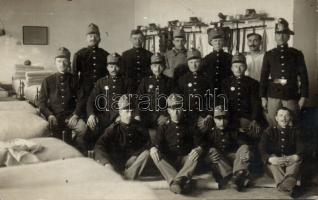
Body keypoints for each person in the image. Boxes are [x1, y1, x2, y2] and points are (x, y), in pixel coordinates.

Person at [150, 93, 205, 194]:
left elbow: (200, 143)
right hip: (170, 161)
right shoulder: (163, 127)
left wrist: (199, 149)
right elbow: (156, 143)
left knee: (195, 155)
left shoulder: (190, 125)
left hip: (185, 161)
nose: (176, 112)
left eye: (178, 108)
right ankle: (181, 180)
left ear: (183, 109)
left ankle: (176, 182)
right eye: (173, 108)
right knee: (154, 153)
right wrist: (153, 148)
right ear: (168, 110)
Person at [260, 18, 309, 126]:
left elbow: (304, 76)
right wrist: (263, 97)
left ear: (288, 36)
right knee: (273, 124)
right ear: (275, 36)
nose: (281, 37)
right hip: (273, 95)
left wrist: (303, 97)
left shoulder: (296, 54)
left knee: (292, 123)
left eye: (284, 34)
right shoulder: (269, 54)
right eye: (278, 34)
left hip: (291, 94)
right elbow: (263, 77)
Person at [39, 47, 87, 149]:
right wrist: (49, 115)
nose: (62, 64)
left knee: (83, 129)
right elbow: (41, 103)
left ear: (69, 63)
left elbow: (82, 99)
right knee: (50, 137)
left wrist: (75, 115)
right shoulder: (48, 80)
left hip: (70, 116)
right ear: (55, 63)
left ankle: (76, 148)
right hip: (54, 116)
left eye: (65, 61)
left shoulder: (75, 79)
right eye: (59, 61)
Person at [94, 94, 150, 180]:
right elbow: (99, 146)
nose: (130, 115)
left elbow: (147, 143)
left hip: (133, 164)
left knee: (146, 153)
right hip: (117, 163)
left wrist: (135, 155)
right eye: (126, 111)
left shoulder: (139, 126)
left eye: (132, 111)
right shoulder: (113, 129)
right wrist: (106, 163)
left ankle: (126, 177)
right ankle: (123, 176)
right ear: (120, 112)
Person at [86, 53, 132, 148]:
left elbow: (131, 102)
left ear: (120, 67)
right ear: (107, 67)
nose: (114, 69)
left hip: (120, 116)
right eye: (111, 66)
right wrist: (91, 114)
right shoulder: (101, 82)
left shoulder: (126, 82)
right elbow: (91, 100)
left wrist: (121, 116)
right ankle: (92, 155)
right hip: (104, 116)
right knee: (91, 130)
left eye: (116, 66)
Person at [259, 107, 304, 196]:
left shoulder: (295, 131)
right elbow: (261, 149)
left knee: (297, 160)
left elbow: (301, 148)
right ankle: (287, 184)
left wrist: (296, 156)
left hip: (290, 164)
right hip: (275, 167)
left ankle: (285, 184)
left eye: (287, 116)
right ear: (276, 118)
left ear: (290, 118)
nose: (284, 118)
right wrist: (270, 159)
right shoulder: (269, 131)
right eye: (281, 115)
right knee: (273, 158)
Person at [205, 105, 252, 191]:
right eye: (218, 119)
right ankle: (235, 178)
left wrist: (246, 152)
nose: (222, 122)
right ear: (214, 119)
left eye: (224, 118)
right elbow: (204, 151)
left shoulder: (233, 131)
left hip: (233, 161)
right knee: (212, 151)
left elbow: (243, 142)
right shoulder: (209, 133)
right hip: (220, 164)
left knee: (244, 147)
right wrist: (208, 158)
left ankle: (238, 174)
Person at [72, 23, 109, 118]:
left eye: (95, 36)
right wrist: (78, 93)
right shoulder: (79, 54)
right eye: (90, 36)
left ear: (99, 38)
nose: (93, 38)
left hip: (101, 92)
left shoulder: (105, 55)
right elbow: (74, 76)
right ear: (86, 38)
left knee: (102, 118)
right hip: (85, 93)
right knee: (85, 119)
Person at [221, 52, 262, 133]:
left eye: (241, 66)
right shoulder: (225, 83)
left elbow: (255, 103)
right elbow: (223, 102)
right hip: (231, 118)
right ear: (231, 68)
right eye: (235, 66)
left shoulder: (253, 83)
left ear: (246, 67)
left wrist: (254, 119)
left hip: (248, 117)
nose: (238, 69)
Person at [175, 48, 213, 132]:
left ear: (201, 62)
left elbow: (211, 98)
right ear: (187, 63)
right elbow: (178, 99)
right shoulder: (182, 79)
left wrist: (208, 114)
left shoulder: (207, 78)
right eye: (191, 62)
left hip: (203, 116)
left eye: (196, 62)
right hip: (186, 116)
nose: (194, 65)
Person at [136, 53, 173, 131]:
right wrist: (139, 115)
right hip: (148, 118)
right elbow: (139, 100)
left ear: (164, 67)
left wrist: (166, 115)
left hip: (164, 118)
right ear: (151, 67)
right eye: (155, 66)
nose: (157, 68)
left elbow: (173, 101)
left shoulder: (169, 81)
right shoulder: (145, 81)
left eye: (160, 65)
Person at [202, 27, 232, 93]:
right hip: (211, 90)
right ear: (211, 42)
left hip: (226, 89)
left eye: (220, 40)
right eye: (215, 41)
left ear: (223, 42)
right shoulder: (206, 59)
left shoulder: (230, 58)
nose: (218, 43)